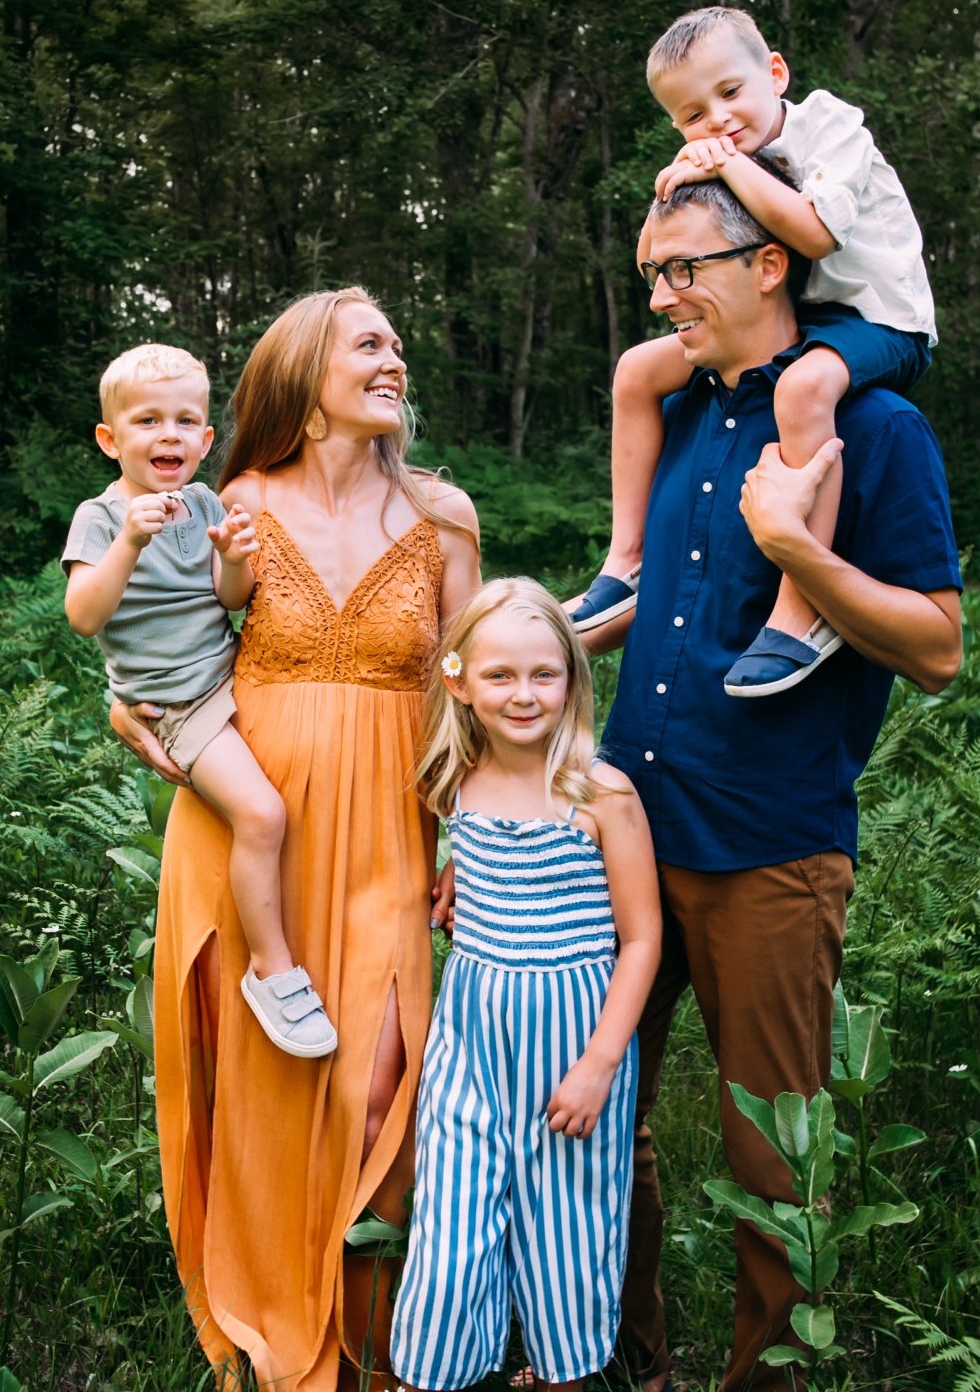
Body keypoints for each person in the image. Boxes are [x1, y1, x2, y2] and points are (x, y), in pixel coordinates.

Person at [590, 177, 963, 1392]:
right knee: (589, 1133)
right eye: (651, 273)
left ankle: (771, 1383)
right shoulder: (676, 414)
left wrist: (801, 547)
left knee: (772, 1159)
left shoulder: (875, 428)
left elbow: (938, 646)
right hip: (622, 841)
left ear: (769, 266)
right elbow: (650, 599)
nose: (661, 294)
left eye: (684, 267)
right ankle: (621, 1361)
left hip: (770, 849)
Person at [105, 289, 481, 1392]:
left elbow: (463, 687)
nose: (395, 357)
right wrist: (124, 703)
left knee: (378, 1077)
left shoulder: (442, 514)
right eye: (370, 342)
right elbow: (152, 627)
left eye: (398, 342)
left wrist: (469, 830)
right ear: (307, 376)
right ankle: (272, 1339)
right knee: (267, 1078)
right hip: (247, 820)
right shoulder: (237, 501)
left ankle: (369, 1337)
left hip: (388, 826)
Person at [566, 5, 940, 700]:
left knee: (801, 390)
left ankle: (799, 610)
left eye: (730, 93)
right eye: (691, 114)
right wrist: (673, 189)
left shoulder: (833, 129)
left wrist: (728, 164)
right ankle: (626, 563)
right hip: (807, 315)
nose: (716, 119)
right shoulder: (724, 157)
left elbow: (816, 234)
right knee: (637, 369)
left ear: (775, 73)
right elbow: (653, 256)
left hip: (880, 317)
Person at [392, 580, 660, 1392]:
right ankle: (433, 1371)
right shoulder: (452, 781)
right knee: (449, 1228)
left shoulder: (600, 793)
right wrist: (448, 874)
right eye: (501, 675)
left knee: (567, 1233)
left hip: (573, 1050)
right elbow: (456, 867)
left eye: (545, 674)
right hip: (470, 1046)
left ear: (574, 679)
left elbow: (643, 936)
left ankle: (559, 1373)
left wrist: (601, 1063)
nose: (523, 694)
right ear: (460, 680)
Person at [61, 343, 337, 1058]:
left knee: (295, 801)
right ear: (109, 439)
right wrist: (127, 541)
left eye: (186, 421)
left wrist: (238, 556)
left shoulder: (207, 501)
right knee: (262, 811)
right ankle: (272, 971)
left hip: (230, 677)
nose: (169, 435)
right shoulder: (99, 516)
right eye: (147, 420)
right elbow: (85, 615)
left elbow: (228, 597)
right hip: (178, 704)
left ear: (207, 439)